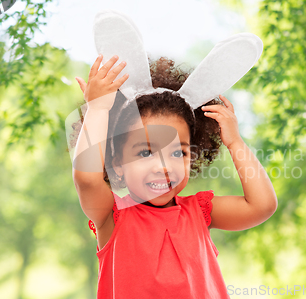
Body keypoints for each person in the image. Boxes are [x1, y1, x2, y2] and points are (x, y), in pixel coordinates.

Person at [70, 53, 277, 298]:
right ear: (118, 166)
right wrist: (98, 108)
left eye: (178, 152)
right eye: (146, 151)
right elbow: (87, 178)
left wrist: (235, 143)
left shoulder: (199, 212)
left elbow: (262, 205)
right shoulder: (111, 217)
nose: (163, 166)